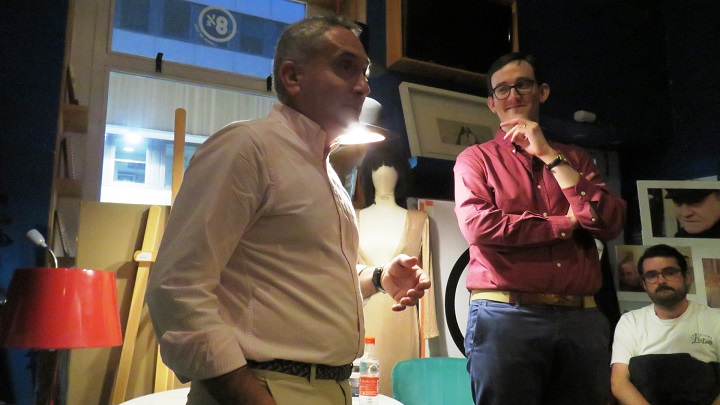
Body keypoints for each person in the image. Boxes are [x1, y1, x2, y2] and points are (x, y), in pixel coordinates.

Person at [144, 15, 431, 405]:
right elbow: (176, 288)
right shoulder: (247, 148)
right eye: (345, 66)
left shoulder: (324, 172)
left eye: (364, 73)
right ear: (293, 76)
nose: (363, 86)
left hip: (329, 388)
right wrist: (248, 396)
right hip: (267, 387)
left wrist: (379, 277)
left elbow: (305, 277)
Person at [453, 52, 626, 405]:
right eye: (502, 89)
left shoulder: (575, 159)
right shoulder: (475, 159)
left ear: (542, 92)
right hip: (506, 316)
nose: (513, 95)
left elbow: (609, 221)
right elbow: (479, 226)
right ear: (491, 103)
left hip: (582, 317)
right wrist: (565, 223)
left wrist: (548, 154)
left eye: (523, 85)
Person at [355, 146, 439, 396]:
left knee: (401, 389)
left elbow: (426, 278)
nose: (383, 173)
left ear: (400, 173)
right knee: (362, 390)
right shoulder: (352, 218)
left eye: (390, 167)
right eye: (376, 167)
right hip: (361, 319)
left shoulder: (419, 220)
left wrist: (428, 332)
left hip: (402, 317)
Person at [611, 244, 720, 405]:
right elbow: (619, 382)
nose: (661, 281)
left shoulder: (715, 319)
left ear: (687, 277)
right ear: (644, 283)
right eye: (652, 275)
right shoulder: (630, 322)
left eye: (669, 272)